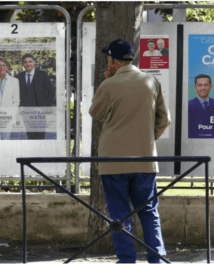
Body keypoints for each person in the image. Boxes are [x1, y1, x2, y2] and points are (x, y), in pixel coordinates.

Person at [89, 39, 171, 264]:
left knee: (119, 215)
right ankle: (157, 258)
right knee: (148, 211)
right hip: (145, 160)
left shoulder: (109, 84)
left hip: (113, 161)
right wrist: (147, 138)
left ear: (113, 61)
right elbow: (165, 120)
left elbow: (96, 112)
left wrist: (108, 83)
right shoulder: (151, 80)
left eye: (108, 57)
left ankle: (126, 260)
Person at [16, 53, 56, 139]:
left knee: (40, 135)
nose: (28, 64)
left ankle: (40, 152)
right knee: (30, 135)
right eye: (25, 62)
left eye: (30, 61)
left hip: (40, 111)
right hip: (26, 111)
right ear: (23, 64)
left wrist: (44, 108)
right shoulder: (19, 76)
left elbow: (51, 92)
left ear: (34, 62)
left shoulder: (42, 74)